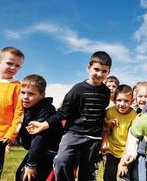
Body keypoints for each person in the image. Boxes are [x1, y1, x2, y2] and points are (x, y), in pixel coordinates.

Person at [27, 51, 112, 181]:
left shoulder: (106, 92)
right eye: (96, 69)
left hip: (93, 137)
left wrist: (105, 133)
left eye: (104, 71)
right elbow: (63, 112)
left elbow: (101, 113)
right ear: (88, 68)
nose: (100, 74)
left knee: (88, 172)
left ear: (108, 72)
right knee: (62, 161)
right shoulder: (77, 90)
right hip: (74, 134)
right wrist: (44, 125)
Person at [16, 74, 63, 181]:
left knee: (27, 177)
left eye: (31, 94)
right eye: (22, 92)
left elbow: (38, 138)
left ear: (42, 95)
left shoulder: (45, 109)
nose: (25, 97)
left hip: (49, 152)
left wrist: (31, 164)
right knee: (20, 175)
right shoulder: (27, 107)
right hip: (39, 150)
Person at [102, 84, 137, 181]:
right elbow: (104, 128)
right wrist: (105, 140)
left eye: (126, 101)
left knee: (123, 176)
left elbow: (133, 136)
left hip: (126, 151)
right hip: (112, 150)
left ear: (132, 101)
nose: (122, 104)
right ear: (114, 100)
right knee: (109, 175)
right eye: (119, 100)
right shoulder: (110, 112)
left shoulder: (134, 115)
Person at [0, 46, 24, 178]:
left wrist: (11, 134)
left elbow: (19, 114)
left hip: (2, 136)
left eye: (18, 66)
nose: (13, 68)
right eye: (9, 63)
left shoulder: (17, 87)